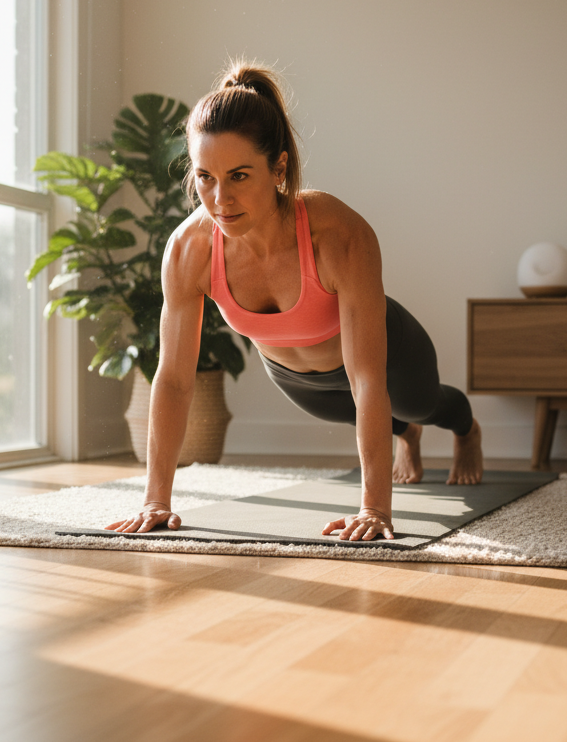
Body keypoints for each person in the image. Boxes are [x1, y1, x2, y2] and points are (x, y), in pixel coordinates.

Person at [107, 64, 483, 542]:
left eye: (239, 176)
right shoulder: (189, 249)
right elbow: (176, 380)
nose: (220, 199)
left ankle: (466, 429)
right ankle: (405, 434)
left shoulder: (338, 233)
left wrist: (374, 509)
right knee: (373, 417)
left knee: (422, 404)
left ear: (279, 169)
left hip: (388, 356)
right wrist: (155, 502)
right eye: (205, 177)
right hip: (296, 379)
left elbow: (367, 378)